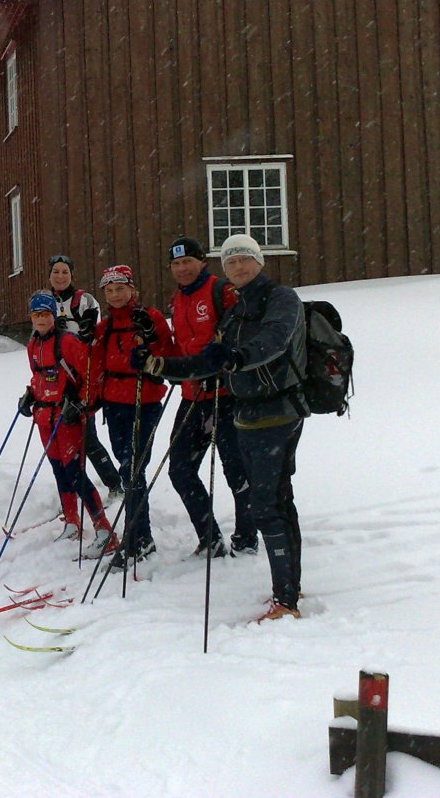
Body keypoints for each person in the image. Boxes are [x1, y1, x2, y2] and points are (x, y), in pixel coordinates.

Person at [133, 234, 307, 622]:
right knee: (277, 499)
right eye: (232, 262)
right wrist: (159, 366)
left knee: (267, 503)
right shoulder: (236, 308)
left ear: (259, 261)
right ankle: (289, 588)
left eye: (245, 260)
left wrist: (235, 356)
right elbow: (207, 361)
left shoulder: (281, 298)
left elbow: (273, 342)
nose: (239, 267)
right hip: (249, 410)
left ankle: (286, 600)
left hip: (277, 410)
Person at [162, 236, 254, 558]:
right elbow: (181, 347)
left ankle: (246, 537)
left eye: (188, 261)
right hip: (192, 395)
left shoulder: (221, 291)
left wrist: (224, 360)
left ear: (202, 261)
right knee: (180, 470)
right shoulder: (178, 299)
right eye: (176, 263)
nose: (182, 268)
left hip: (225, 394)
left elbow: (243, 334)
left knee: (236, 471)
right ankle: (210, 537)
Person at [18, 291, 118, 555]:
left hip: (67, 417)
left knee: (75, 473)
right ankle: (72, 522)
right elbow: (39, 376)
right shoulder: (33, 345)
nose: (41, 319)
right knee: (59, 470)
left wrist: (81, 403)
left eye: (45, 314)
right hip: (45, 418)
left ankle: (104, 529)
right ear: (31, 317)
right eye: (36, 314)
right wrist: (30, 395)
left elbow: (91, 373)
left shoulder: (68, 342)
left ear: (54, 316)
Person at [90, 264, 174, 569]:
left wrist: (150, 341)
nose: (114, 296)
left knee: (133, 469)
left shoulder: (149, 318)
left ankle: (136, 537)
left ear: (132, 290)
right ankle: (143, 535)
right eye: (109, 291)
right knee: (128, 470)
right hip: (114, 404)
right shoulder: (106, 325)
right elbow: (96, 364)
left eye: (120, 289)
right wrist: (91, 401)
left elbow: (168, 354)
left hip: (144, 400)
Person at [45, 254, 122, 497]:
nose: (60, 276)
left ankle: (113, 483)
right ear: (49, 275)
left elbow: (90, 336)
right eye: (56, 272)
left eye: (65, 272)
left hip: (80, 375)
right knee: (61, 439)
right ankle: (74, 488)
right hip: (55, 376)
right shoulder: (44, 299)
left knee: (87, 438)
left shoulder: (84, 300)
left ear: (72, 275)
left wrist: (76, 328)